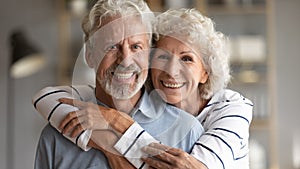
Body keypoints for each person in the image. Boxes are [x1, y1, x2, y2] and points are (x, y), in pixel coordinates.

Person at [34, 6, 253, 169]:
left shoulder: (205, 124)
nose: (126, 60)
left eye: (136, 46)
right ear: (90, 56)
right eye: (111, 46)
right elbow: (46, 96)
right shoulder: (58, 132)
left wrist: (113, 128)